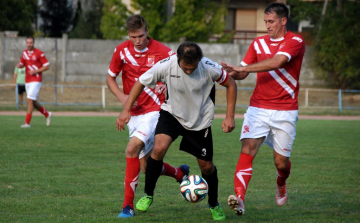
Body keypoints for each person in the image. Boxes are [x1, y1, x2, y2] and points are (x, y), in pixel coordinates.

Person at [117, 41, 237, 221]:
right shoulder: (167, 64)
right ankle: (148, 195)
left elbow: (231, 84)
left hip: (199, 121)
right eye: (185, 68)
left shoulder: (208, 67)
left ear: (199, 60)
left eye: (192, 68)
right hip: (171, 114)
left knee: (206, 166)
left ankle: (214, 204)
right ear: (178, 59)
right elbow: (140, 82)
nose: (189, 71)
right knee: (158, 149)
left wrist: (229, 116)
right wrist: (126, 109)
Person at [220, 2, 305, 216]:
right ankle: (239, 199)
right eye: (265, 21)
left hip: (285, 110)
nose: (267, 25)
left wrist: (243, 68)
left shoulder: (295, 41)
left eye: (271, 21)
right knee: (247, 149)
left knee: (281, 163)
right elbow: (241, 73)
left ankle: (281, 181)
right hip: (258, 108)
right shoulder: (258, 43)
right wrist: (227, 72)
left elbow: (277, 62)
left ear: (283, 21)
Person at [106, 14, 189, 218]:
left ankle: (127, 206)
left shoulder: (163, 51)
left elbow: (181, 73)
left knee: (132, 148)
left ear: (147, 31)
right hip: (134, 114)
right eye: (133, 36)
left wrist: (165, 84)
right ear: (128, 34)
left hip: (155, 111)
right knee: (146, 167)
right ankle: (180, 173)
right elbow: (110, 78)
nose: (138, 40)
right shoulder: (121, 51)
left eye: (141, 36)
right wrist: (123, 98)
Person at [17, 36, 52, 128]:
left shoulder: (39, 53)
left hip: (36, 80)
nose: (29, 44)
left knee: (29, 100)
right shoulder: (24, 53)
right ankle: (47, 114)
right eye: (28, 42)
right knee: (33, 102)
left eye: (31, 42)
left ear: (34, 43)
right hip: (28, 80)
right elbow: (22, 63)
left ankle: (27, 123)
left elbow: (47, 66)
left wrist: (35, 71)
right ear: (26, 43)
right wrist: (19, 65)